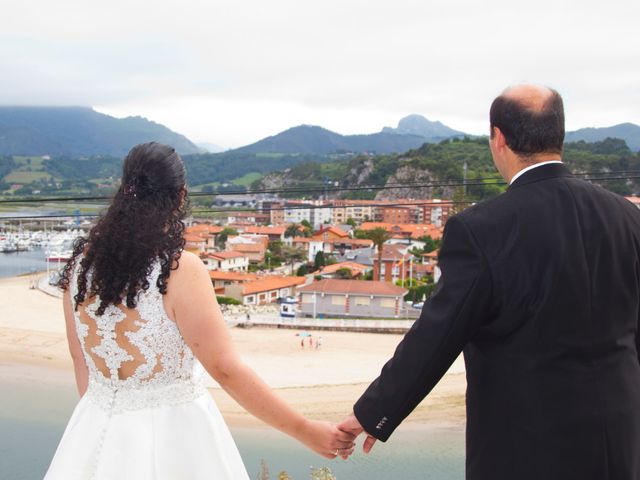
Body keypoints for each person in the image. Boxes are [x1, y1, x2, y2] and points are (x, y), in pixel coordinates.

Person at [339, 85, 640, 479]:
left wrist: (372, 413)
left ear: (498, 138)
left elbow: (437, 335)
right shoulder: (627, 217)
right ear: (560, 134)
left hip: (526, 446)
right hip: (620, 438)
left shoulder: (481, 228)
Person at [45, 142, 355, 479]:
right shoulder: (178, 270)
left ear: (125, 191)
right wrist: (304, 429)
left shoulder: (80, 266)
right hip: (174, 438)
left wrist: (104, 427)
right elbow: (224, 369)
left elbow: (81, 362)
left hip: (93, 428)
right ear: (180, 196)